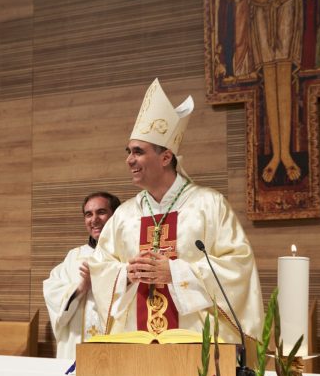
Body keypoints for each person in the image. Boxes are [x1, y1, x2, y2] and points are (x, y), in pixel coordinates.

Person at [89, 79, 263, 345]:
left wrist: (176, 273)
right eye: (128, 152)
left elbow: (238, 266)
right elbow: (101, 266)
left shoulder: (208, 205)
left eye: (138, 152)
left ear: (166, 157)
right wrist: (126, 273)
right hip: (135, 345)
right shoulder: (124, 215)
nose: (129, 160)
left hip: (198, 346)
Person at [43, 192, 121, 359]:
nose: (94, 220)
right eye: (88, 214)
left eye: (101, 212)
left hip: (116, 348)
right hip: (76, 347)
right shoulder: (74, 257)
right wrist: (80, 288)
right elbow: (52, 292)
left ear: (115, 216)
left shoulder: (125, 254)